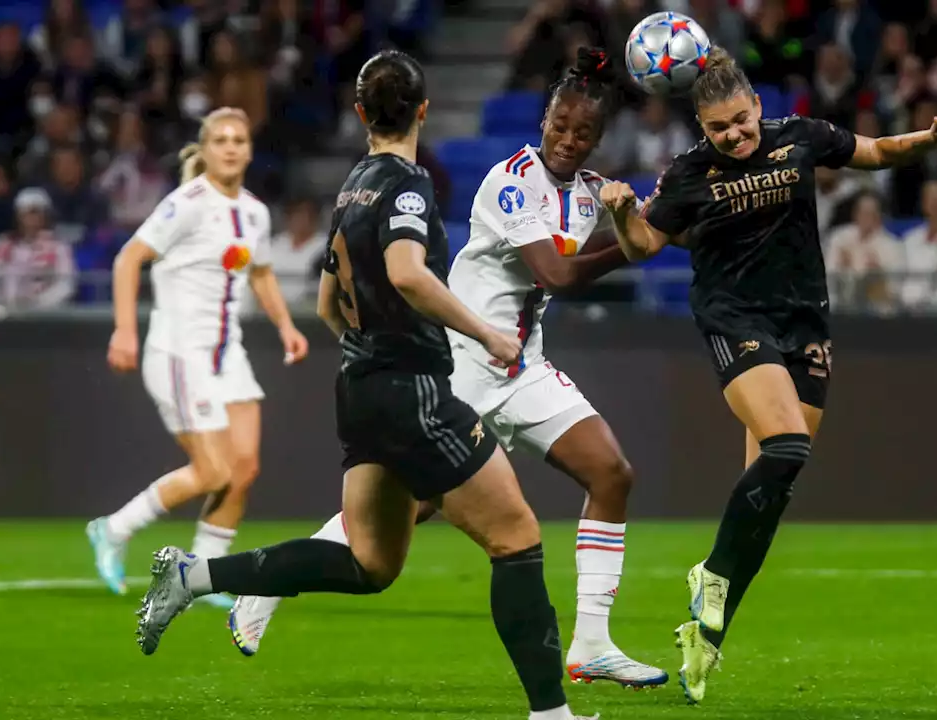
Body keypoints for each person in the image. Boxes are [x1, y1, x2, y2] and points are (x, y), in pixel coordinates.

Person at [133, 50, 598, 720]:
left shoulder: (352, 186)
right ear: (423, 111)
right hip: (413, 389)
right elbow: (408, 272)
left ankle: (192, 576)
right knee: (517, 536)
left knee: (371, 563)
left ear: (360, 114)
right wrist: (485, 333)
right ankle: (551, 715)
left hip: (359, 389)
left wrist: (368, 354)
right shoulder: (406, 186)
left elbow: (326, 302)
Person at [227, 47, 666, 689]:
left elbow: (645, 246)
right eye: (559, 127)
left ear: (599, 138)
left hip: (523, 366)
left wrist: (627, 214)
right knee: (409, 509)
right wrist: (618, 248)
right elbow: (558, 274)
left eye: (584, 134)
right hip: (466, 364)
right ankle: (268, 586)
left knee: (612, 473)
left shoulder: (589, 193)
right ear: (542, 121)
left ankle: (592, 644)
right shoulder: (510, 180)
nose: (569, 141)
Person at [599, 47, 937, 704]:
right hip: (733, 316)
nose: (734, 136)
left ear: (757, 109)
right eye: (719, 129)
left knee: (772, 491)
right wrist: (624, 213)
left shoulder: (801, 138)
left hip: (805, 324)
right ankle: (710, 573)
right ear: (702, 129)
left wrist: (929, 139)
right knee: (787, 444)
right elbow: (643, 247)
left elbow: (879, 152)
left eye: (740, 121)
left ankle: (706, 635)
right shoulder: (688, 174)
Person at [88, 106, 309, 609]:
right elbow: (128, 258)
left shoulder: (254, 211)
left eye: (239, 139)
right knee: (213, 471)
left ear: (249, 150)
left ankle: (202, 575)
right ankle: (113, 528)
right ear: (206, 150)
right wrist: (125, 331)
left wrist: (285, 325)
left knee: (245, 467)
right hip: (179, 351)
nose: (231, 147)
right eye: (221, 140)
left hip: (227, 354)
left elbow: (261, 273)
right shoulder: (186, 202)